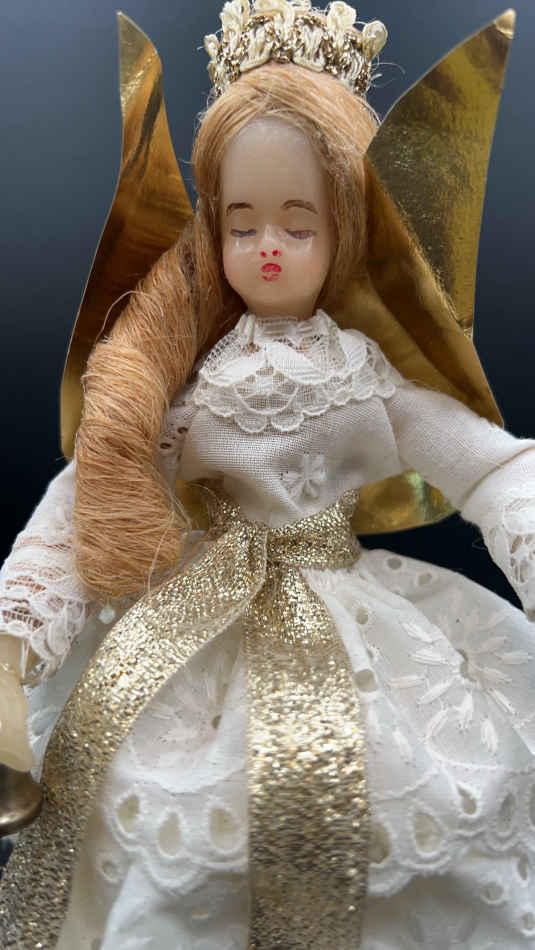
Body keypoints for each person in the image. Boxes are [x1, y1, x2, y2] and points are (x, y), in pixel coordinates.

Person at [1, 2, 535, 948]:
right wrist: (15, 643)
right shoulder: (188, 386)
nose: (269, 246)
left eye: (300, 221)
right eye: (240, 223)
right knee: (164, 800)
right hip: (199, 620)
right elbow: (88, 495)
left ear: (347, 230)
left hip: (353, 609)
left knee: (401, 790)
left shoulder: (371, 382)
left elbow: (490, 466)